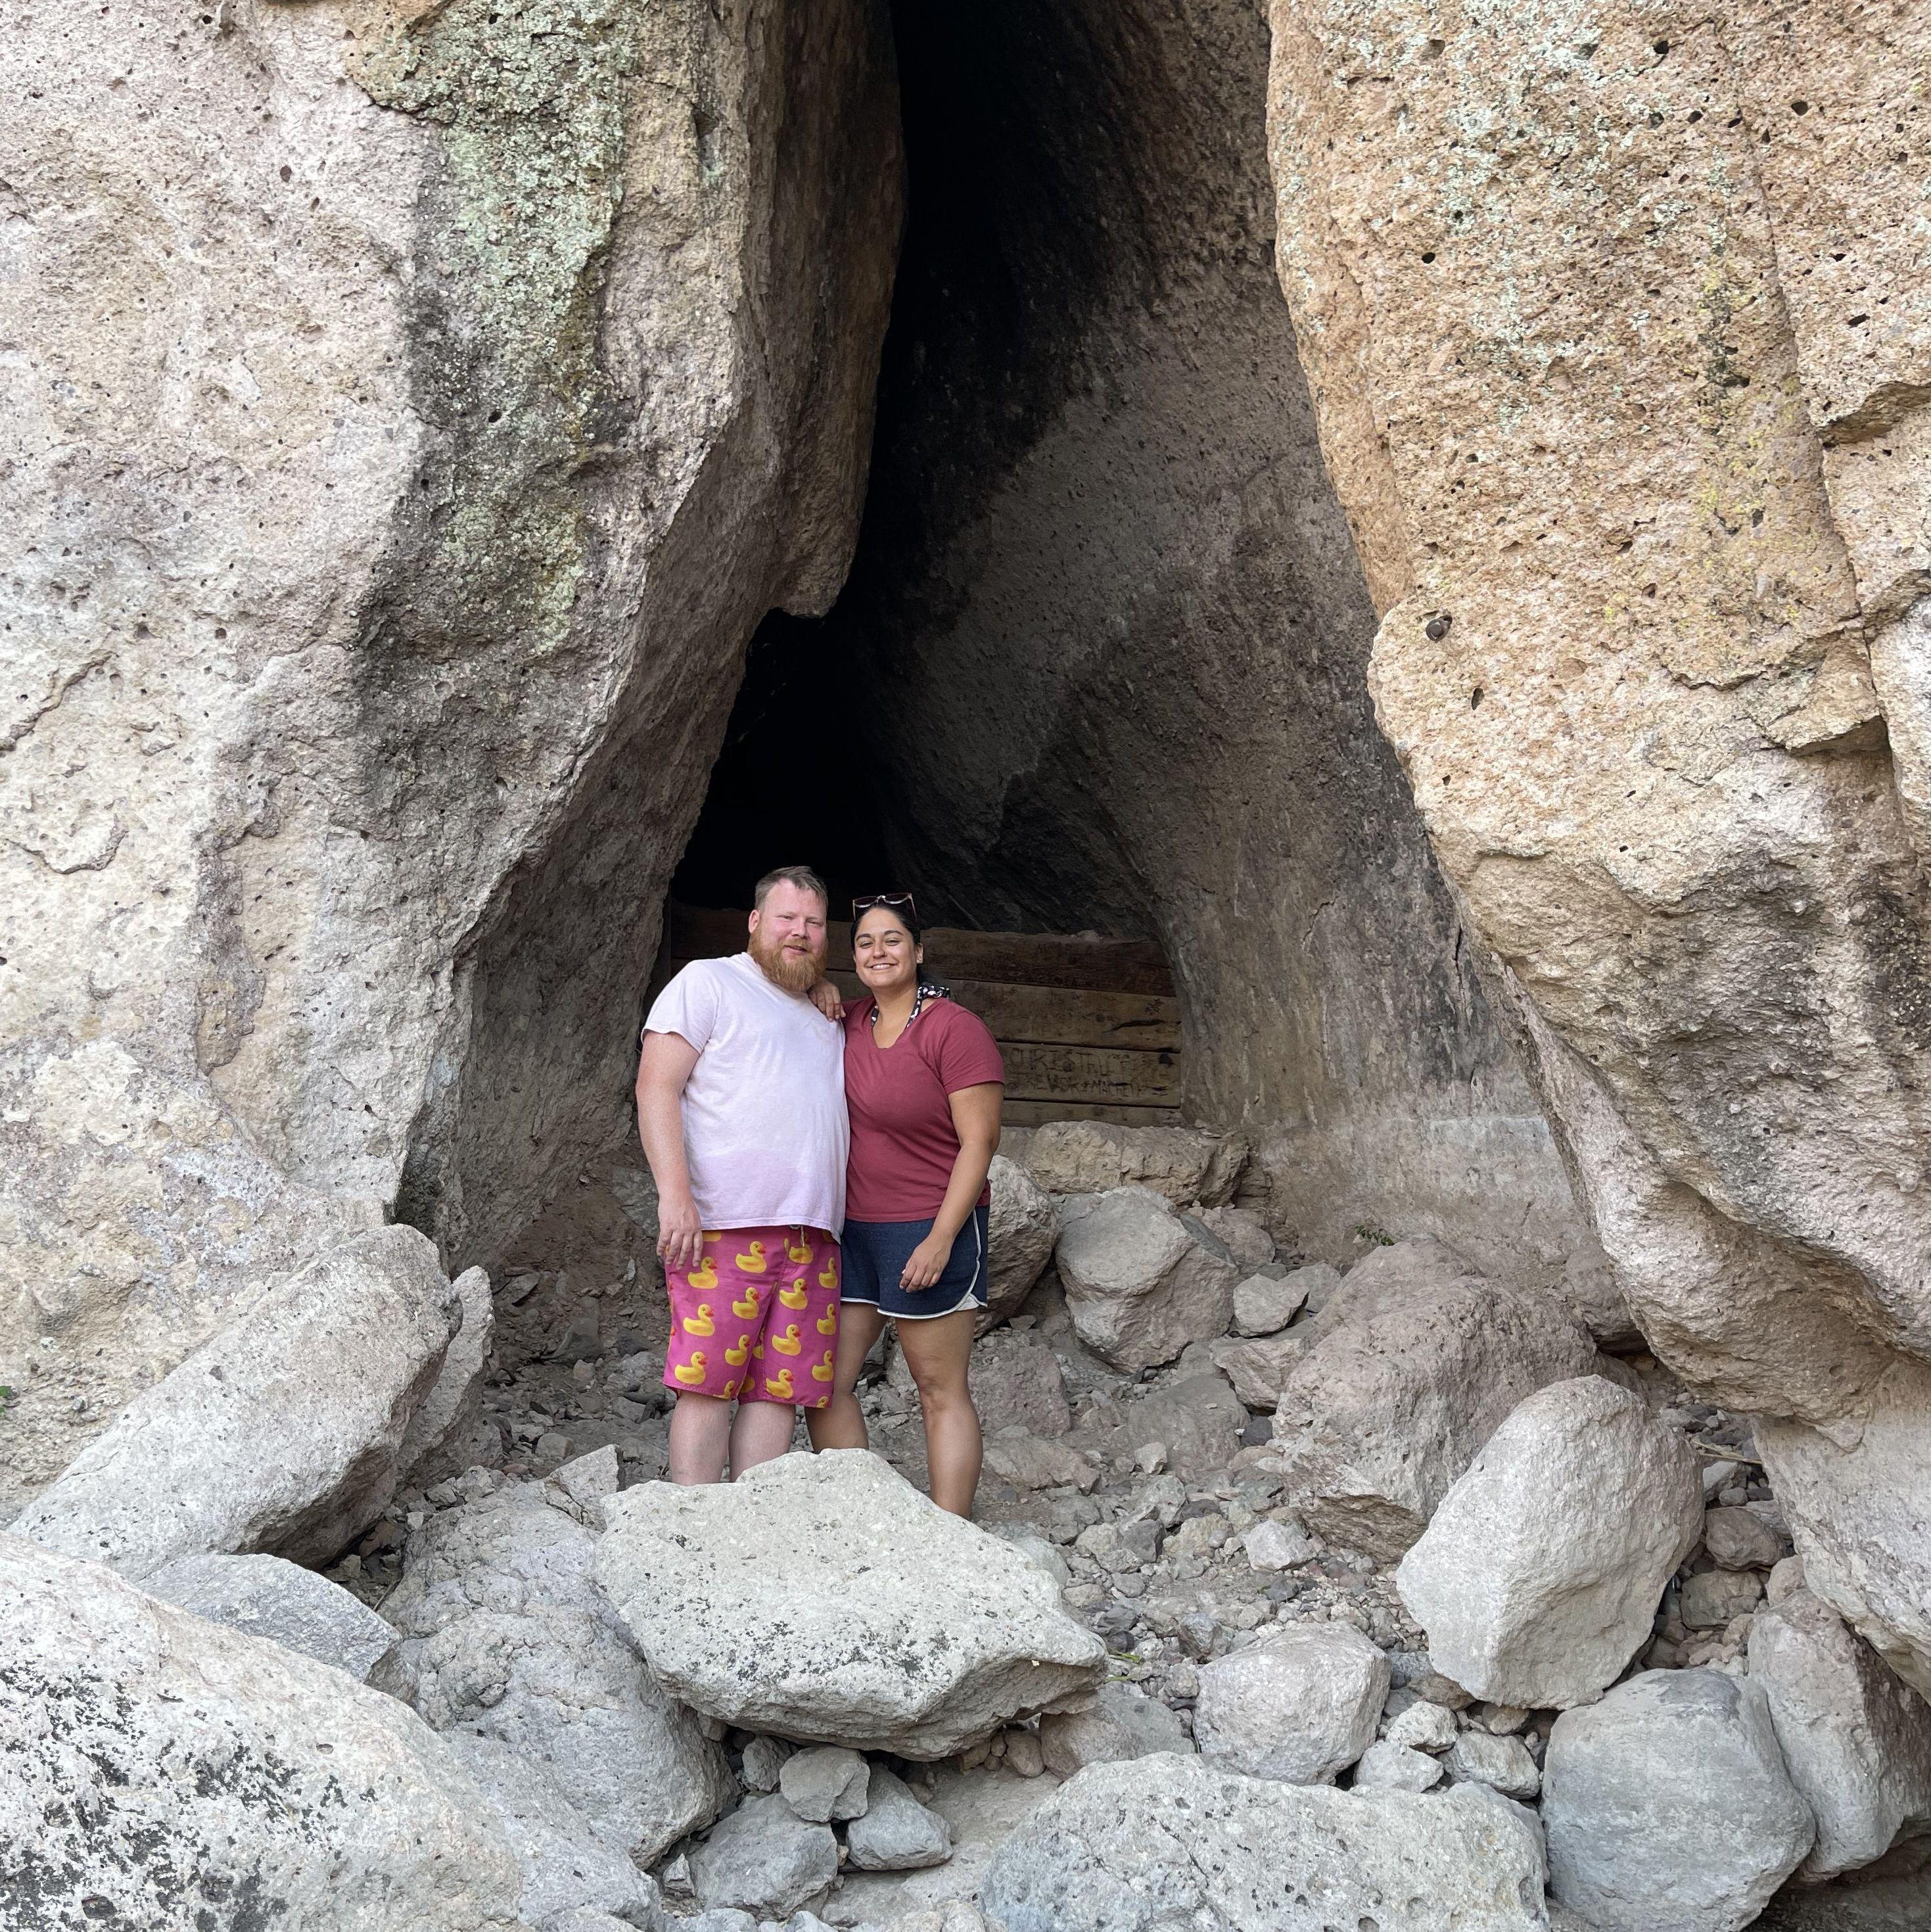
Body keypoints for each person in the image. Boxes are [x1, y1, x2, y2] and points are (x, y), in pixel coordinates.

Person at [635, 866, 847, 1485]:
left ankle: (750, 1533)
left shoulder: (821, 1012)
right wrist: (674, 1196)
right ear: (755, 922)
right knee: (706, 1383)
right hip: (725, 1224)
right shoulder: (709, 981)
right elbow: (656, 1086)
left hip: (813, 1234)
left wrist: (824, 990)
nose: (799, 933)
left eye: (812, 924)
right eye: (786, 919)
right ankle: (692, 1523)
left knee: (777, 1392)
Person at [806, 893, 1003, 1515]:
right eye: (865, 942)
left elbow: (982, 1139)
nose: (878, 951)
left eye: (893, 939)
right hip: (853, 1230)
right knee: (824, 1386)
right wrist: (817, 986)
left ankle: (950, 1532)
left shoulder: (953, 1028)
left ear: (918, 951)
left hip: (930, 1224)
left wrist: (942, 1238)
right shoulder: (848, 1019)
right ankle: (865, 1521)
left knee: (937, 1388)